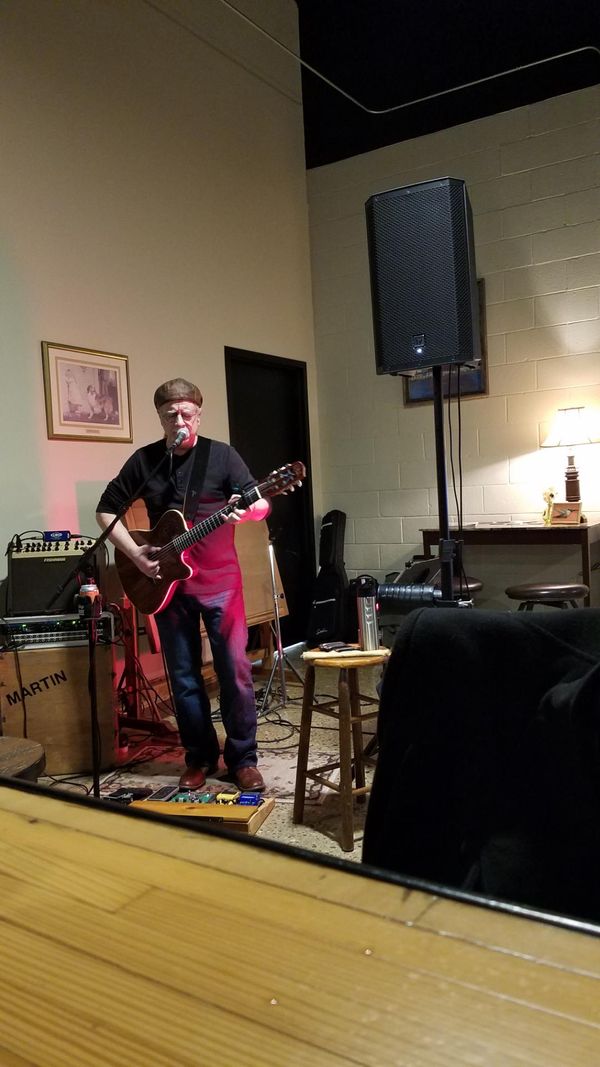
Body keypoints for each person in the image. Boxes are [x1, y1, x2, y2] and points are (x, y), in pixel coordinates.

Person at [96, 377, 270, 793]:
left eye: (186, 413)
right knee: (184, 677)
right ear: (160, 417)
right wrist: (136, 555)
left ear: (198, 415)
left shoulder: (222, 456)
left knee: (235, 671)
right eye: (170, 414)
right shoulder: (146, 461)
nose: (179, 421)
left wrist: (243, 511)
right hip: (168, 585)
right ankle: (200, 757)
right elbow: (105, 510)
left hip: (221, 581)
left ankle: (243, 759)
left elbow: (261, 504)